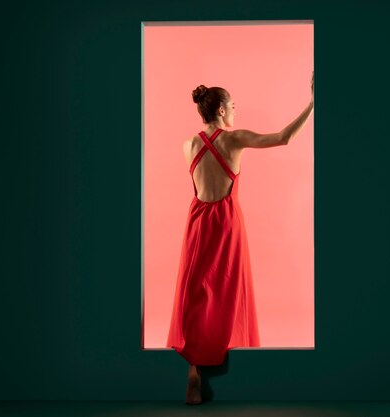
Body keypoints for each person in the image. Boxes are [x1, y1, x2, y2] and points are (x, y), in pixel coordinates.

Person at [166, 72, 314, 405]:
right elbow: (284, 138)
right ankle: (228, 360)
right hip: (226, 220)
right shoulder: (233, 139)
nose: (235, 109)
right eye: (232, 104)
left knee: (194, 290)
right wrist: (313, 104)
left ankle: (194, 368)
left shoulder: (187, 144)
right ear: (219, 110)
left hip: (197, 220)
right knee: (228, 289)